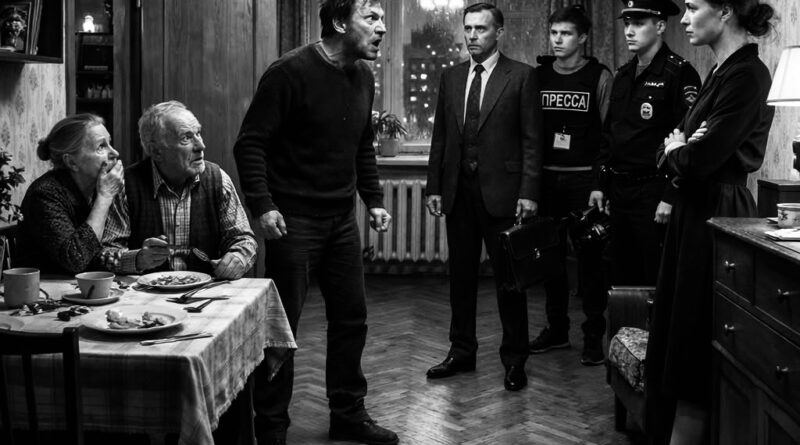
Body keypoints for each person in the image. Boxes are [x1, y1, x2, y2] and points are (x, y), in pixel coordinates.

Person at [232, 1, 398, 444]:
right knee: (281, 328)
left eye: (384, 18)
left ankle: (348, 413)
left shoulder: (363, 76)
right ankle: (271, 427)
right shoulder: (289, 72)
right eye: (372, 17)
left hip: (341, 220)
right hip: (294, 222)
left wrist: (373, 199)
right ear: (340, 22)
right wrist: (263, 205)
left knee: (351, 319)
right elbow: (250, 143)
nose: (382, 27)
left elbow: (362, 143)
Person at [645, 1, 776, 443]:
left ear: (724, 11)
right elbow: (668, 149)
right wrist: (679, 147)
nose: (683, 19)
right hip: (694, 208)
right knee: (678, 336)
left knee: (693, 346)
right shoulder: (720, 71)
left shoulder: (748, 75)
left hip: (717, 211)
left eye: (692, 6)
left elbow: (698, 158)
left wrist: (682, 148)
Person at [424, 2, 542, 392]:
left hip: (503, 195)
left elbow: (532, 141)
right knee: (460, 279)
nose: (472, 36)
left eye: (481, 29)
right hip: (459, 193)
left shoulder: (521, 76)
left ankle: (515, 360)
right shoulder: (451, 76)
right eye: (468, 28)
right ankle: (462, 351)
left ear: (499, 33)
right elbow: (441, 137)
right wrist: (434, 186)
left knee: (510, 282)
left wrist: (528, 192)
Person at [528, 5, 613, 366]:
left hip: (583, 182)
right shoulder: (539, 76)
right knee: (550, 260)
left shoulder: (599, 76)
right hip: (547, 180)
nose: (558, 40)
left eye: (565, 33)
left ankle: (593, 336)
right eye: (554, 33)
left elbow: (609, 134)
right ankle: (557, 330)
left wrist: (600, 183)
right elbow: (528, 132)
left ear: (582, 38)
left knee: (590, 262)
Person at [598, 0, 701, 288]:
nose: (629, 31)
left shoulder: (679, 73)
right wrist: (602, 184)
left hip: (653, 192)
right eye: (627, 23)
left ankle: (655, 322)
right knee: (620, 275)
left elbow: (688, 141)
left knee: (654, 274)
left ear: (660, 26)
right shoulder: (623, 74)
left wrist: (671, 195)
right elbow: (610, 134)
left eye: (639, 23)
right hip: (619, 191)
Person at [101, 101, 256, 279]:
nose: (201, 146)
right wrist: (138, 259)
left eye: (198, 134)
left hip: (207, 291)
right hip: (144, 292)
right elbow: (105, 254)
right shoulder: (126, 185)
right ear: (156, 152)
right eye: (186, 138)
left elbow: (244, 239)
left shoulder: (218, 179)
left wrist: (238, 257)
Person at [16, 114, 124, 274]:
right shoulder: (45, 194)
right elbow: (75, 260)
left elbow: (107, 250)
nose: (115, 152)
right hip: (43, 287)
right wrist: (105, 197)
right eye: (101, 146)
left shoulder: (100, 186)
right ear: (72, 162)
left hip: (85, 285)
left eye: (110, 143)